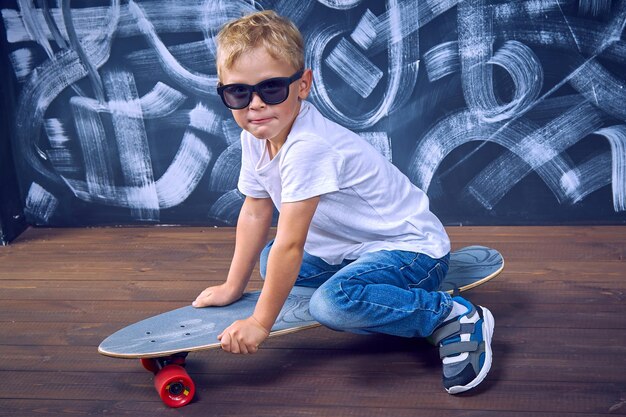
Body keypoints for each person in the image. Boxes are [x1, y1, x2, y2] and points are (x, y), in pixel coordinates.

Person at [193, 10, 494, 394]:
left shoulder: (308, 147)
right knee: (271, 263)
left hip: (410, 249)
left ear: (302, 85)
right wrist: (233, 286)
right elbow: (255, 209)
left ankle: (453, 317)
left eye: (271, 89)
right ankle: (379, 296)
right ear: (223, 92)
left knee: (331, 304)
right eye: (238, 92)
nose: (255, 105)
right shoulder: (256, 137)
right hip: (350, 251)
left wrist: (260, 323)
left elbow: (291, 242)